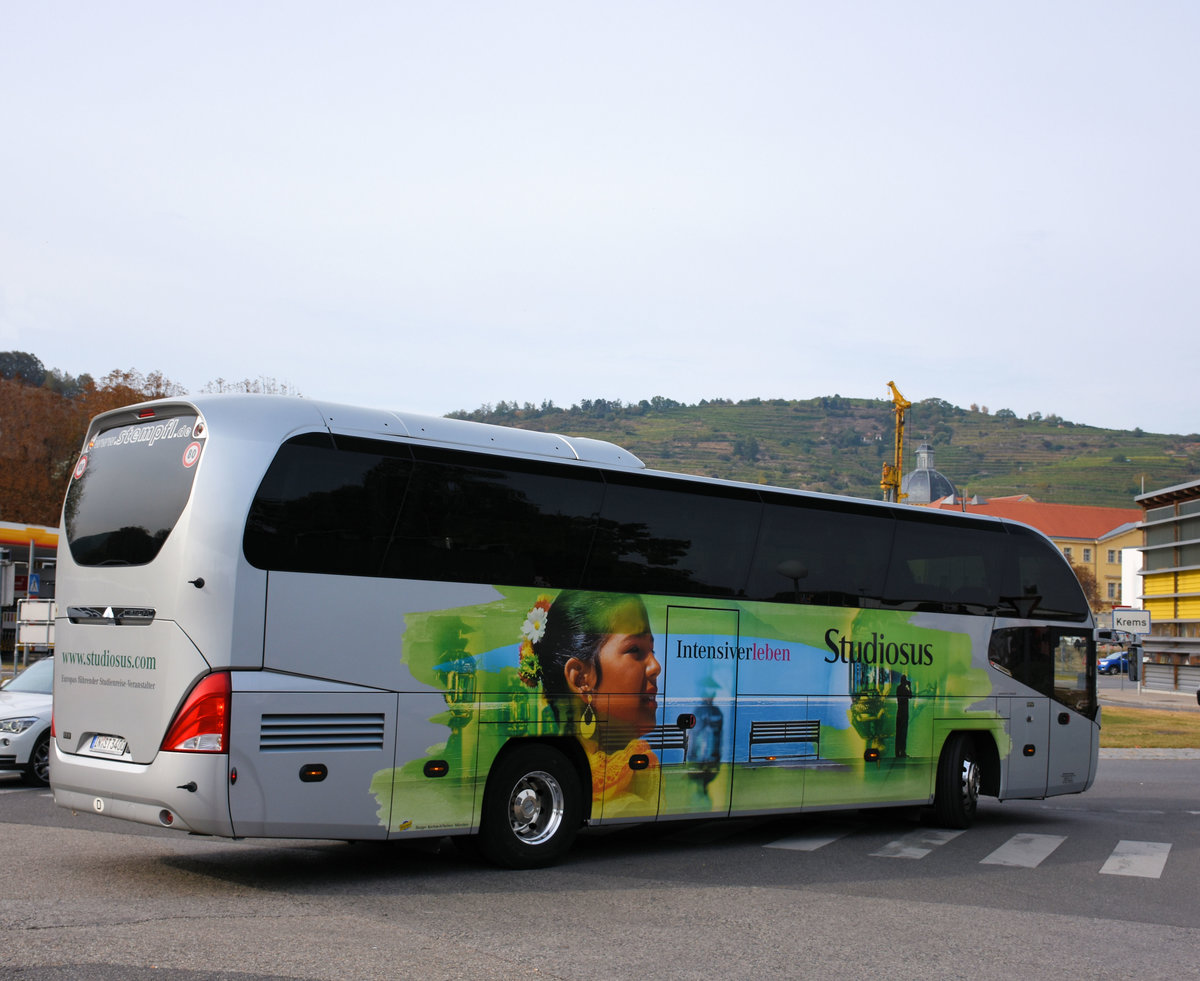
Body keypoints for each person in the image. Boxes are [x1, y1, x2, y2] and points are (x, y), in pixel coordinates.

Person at [517, 590, 661, 809]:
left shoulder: (641, 764)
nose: (655, 667)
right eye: (635, 650)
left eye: (652, 650)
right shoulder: (629, 787)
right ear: (581, 679)